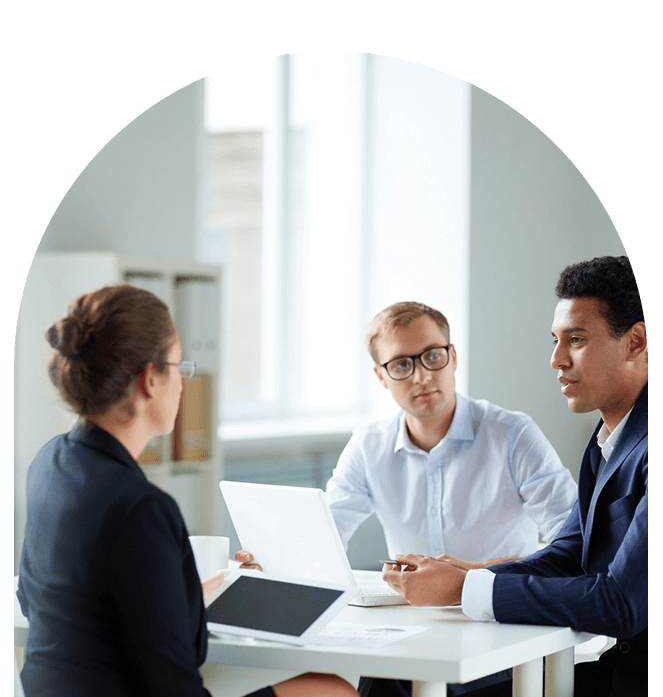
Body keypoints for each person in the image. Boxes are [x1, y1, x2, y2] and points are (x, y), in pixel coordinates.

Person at [17, 284, 358, 697]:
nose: (183, 383)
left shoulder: (50, 463)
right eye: (179, 366)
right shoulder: (140, 507)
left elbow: (46, 599)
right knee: (332, 689)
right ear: (150, 379)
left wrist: (187, 597)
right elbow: (174, 681)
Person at [383, 256, 648, 697]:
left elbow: (621, 604)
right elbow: (566, 555)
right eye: (556, 340)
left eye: (576, 340)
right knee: (401, 680)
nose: (556, 359)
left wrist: (466, 586)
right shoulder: (608, 441)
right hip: (615, 672)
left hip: (638, 681)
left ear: (637, 341)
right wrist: (460, 577)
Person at [325, 301, 577, 567]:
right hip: (410, 608)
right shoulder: (368, 447)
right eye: (401, 365)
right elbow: (324, 535)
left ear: (453, 357)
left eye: (432, 356)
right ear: (381, 376)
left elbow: (575, 543)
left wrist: (466, 578)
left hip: (503, 604)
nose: (421, 377)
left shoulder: (513, 435)